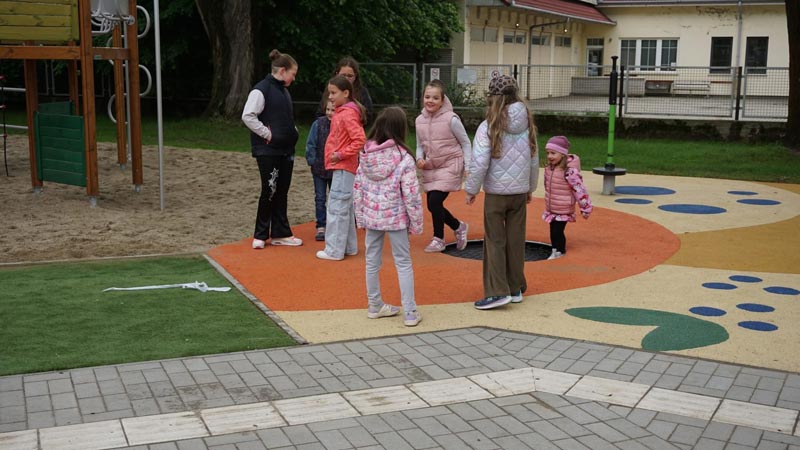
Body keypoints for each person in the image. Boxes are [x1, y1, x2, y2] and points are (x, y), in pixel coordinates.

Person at [464, 75, 539, 310]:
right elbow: (534, 159)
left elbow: (479, 162)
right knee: (516, 240)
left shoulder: (488, 127)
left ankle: (497, 291)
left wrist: (471, 189)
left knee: (495, 241)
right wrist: (530, 187)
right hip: (519, 192)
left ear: (492, 98)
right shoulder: (527, 124)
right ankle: (515, 287)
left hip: (496, 193)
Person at [353, 106, 424, 326]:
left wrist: (360, 217)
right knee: (403, 262)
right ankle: (410, 311)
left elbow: (357, 189)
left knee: (371, 261)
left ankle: (374, 304)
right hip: (396, 218)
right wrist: (416, 223)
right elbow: (412, 195)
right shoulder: (404, 158)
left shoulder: (365, 156)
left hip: (372, 217)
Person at [242, 49, 303, 249]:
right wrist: (267, 134)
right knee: (269, 189)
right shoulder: (261, 90)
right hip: (268, 150)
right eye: (293, 74)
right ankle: (260, 234)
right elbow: (248, 115)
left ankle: (280, 233)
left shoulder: (283, 91)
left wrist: (292, 130)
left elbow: (283, 116)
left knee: (282, 191)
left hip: (286, 149)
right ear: (283, 70)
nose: (294, 78)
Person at [414, 80, 471, 253]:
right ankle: (458, 226)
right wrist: (419, 158)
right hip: (431, 166)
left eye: (435, 98)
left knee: (435, 201)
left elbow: (465, 142)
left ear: (442, 100)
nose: (430, 101)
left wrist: (468, 166)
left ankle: (438, 239)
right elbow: (419, 145)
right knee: (432, 206)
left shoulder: (451, 119)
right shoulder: (419, 121)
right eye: (427, 97)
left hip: (450, 164)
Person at [316, 75, 366, 261]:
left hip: (344, 166)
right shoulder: (343, 112)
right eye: (329, 93)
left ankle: (334, 250)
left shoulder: (347, 114)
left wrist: (340, 154)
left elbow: (359, 139)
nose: (330, 97)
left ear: (345, 93)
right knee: (344, 206)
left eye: (333, 93)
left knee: (337, 207)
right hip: (343, 166)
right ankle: (348, 247)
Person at [542, 135, 593, 260]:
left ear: (563, 154)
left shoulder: (569, 172)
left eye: (553, 153)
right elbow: (547, 186)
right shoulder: (549, 169)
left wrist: (585, 208)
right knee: (553, 231)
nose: (549, 156)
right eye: (548, 153)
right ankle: (555, 250)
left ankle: (560, 251)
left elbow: (579, 190)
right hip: (553, 207)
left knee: (557, 231)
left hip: (563, 208)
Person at [306, 97, 335, 241]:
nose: (330, 113)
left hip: (335, 168)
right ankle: (321, 225)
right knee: (320, 197)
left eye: (333, 110)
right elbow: (311, 143)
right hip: (319, 167)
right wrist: (311, 161)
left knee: (334, 198)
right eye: (328, 109)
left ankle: (334, 224)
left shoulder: (341, 124)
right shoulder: (318, 124)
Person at [334, 57, 373, 123]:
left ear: (355, 76)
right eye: (343, 75)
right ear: (337, 74)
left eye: (350, 76)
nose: (346, 78)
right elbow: (321, 112)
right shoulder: (331, 90)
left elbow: (368, 116)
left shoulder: (362, 92)